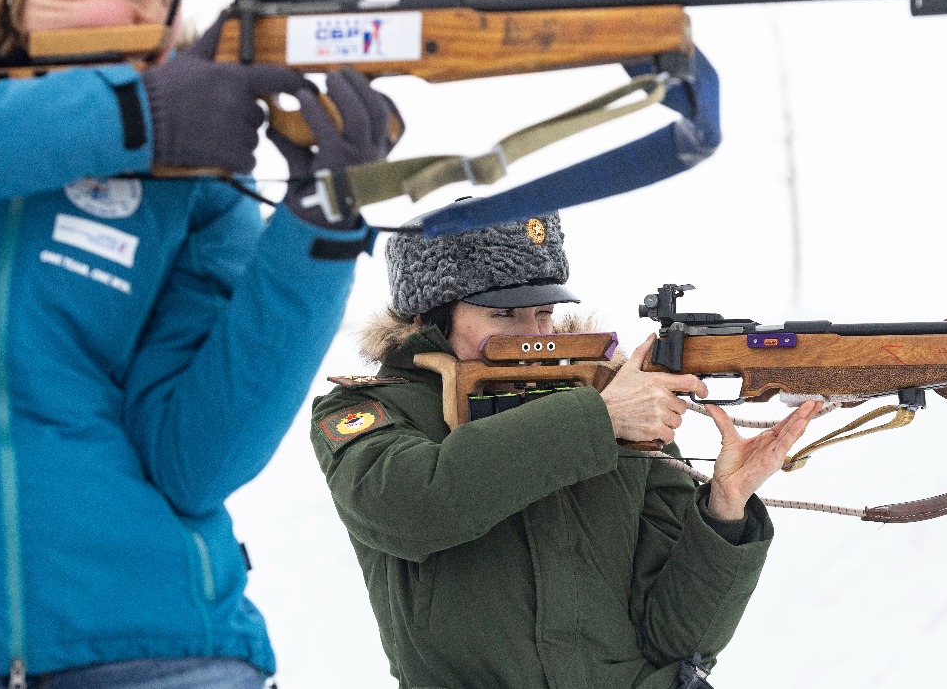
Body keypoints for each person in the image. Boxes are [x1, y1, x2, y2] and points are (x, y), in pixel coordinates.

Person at [0, 0, 399, 686]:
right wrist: (132, 117)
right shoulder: (131, 118)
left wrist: (319, 229)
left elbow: (195, 459)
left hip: (159, 643)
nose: (163, 20)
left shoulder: (190, 174)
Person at [310, 204, 820, 689]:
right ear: (429, 319)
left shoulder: (609, 404)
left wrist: (723, 510)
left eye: (544, 312)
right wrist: (598, 419)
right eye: (505, 317)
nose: (535, 335)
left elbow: (677, 640)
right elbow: (412, 504)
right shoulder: (372, 411)